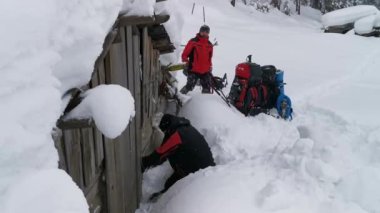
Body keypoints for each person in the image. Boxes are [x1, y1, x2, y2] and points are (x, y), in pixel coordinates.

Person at [142, 114, 215, 199]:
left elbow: (161, 153)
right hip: (202, 170)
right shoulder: (184, 128)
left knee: (174, 192)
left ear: (167, 128)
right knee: (170, 185)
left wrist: (142, 163)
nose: (164, 134)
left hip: (200, 177)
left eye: (164, 131)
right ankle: (162, 198)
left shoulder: (179, 136)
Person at [180, 25, 214, 94]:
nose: (204, 33)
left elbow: (209, 58)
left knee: (207, 88)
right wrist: (186, 62)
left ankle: (207, 104)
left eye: (206, 32)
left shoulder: (209, 44)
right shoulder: (193, 41)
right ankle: (180, 96)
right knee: (189, 86)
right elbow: (184, 54)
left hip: (205, 71)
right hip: (193, 70)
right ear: (200, 31)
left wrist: (210, 66)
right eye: (203, 31)